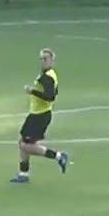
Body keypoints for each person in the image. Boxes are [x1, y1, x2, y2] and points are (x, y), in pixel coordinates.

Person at [11, 48, 71, 183]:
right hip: (36, 114)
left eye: (46, 59)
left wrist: (32, 91)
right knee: (22, 142)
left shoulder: (47, 77)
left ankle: (59, 156)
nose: (43, 61)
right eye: (42, 59)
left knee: (26, 146)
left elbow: (50, 97)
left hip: (40, 116)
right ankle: (23, 174)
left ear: (52, 61)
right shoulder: (50, 74)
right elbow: (55, 93)